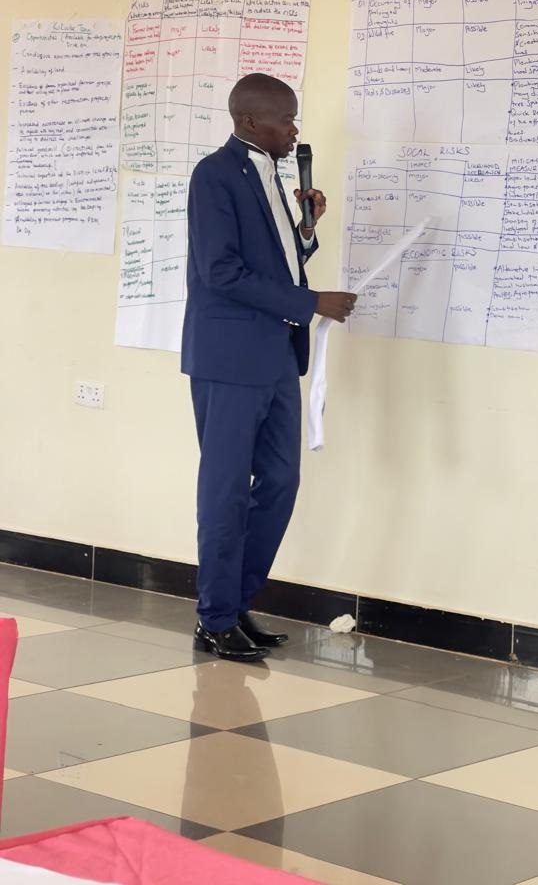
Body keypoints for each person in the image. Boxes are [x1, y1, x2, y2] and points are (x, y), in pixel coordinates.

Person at [181, 73, 356, 661]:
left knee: (281, 481)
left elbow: (279, 260)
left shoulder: (274, 176)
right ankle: (214, 617)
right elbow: (221, 272)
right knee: (226, 490)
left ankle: (233, 604)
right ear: (250, 121)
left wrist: (306, 229)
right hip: (229, 358)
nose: (294, 129)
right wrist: (312, 302)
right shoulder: (214, 175)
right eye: (286, 120)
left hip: (277, 354)